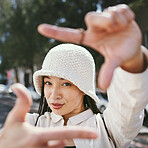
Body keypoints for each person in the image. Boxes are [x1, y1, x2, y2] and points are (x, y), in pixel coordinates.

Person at [0, 3, 148, 148]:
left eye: (66, 84)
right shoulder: (30, 125)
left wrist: (132, 62)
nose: (54, 95)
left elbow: (130, 104)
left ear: (84, 87)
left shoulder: (107, 128)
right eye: (48, 83)